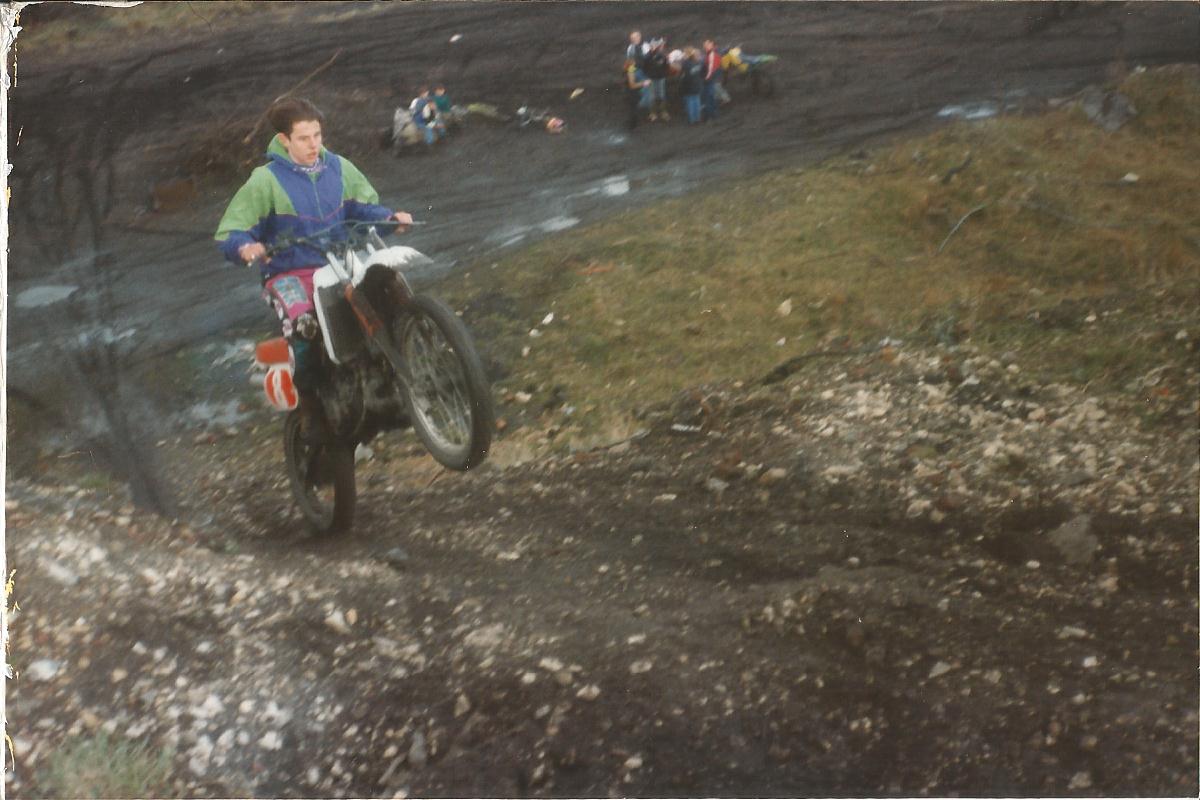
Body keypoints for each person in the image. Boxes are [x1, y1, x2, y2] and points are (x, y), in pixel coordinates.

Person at [214, 97, 413, 439]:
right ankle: (310, 409)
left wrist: (389, 219)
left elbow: (363, 210)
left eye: (317, 135)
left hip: (340, 261)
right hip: (289, 272)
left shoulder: (338, 167)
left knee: (386, 291)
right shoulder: (265, 180)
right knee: (303, 325)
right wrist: (245, 246)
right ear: (285, 140)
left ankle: (403, 376)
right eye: (304, 138)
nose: (313, 145)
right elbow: (232, 231)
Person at [642, 37, 671, 122]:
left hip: (661, 78)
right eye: (653, 45)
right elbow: (644, 68)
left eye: (655, 45)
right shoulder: (647, 56)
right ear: (650, 46)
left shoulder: (662, 55)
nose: (654, 46)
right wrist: (648, 76)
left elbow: (666, 66)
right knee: (652, 97)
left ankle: (663, 112)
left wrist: (664, 74)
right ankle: (653, 113)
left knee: (662, 95)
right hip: (651, 79)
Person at [679, 47, 704, 125]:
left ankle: (692, 120)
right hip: (697, 84)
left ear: (687, 54)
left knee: (690, 102)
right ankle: (698, 119)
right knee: (697, 101)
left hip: (689, 85)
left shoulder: (685, 63)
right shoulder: (698, 62)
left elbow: (683, 76)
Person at [622, 57, 649, 130]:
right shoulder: (630, 72)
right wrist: (643, 83)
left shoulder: (630, 69)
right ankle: (632, 126)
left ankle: (633, 124)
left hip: (630, 92)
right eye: (634, 63)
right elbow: (632, 85)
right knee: (633, 109)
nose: (635, 64)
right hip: (632, 93)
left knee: (633, 109)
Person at [701, 39, 723, 121]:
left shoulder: (711, 54)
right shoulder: (708, 54)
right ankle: (714, 114)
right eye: (705, 45)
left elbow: (711, 68)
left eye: (707, 44)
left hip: (710, 79)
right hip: (712, 78)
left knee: (708, 97)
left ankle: (710, 115)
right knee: (711, 96)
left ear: (712, 45)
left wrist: (706, 79)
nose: (705, 46)